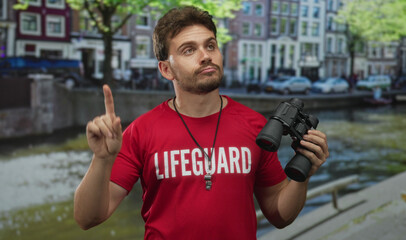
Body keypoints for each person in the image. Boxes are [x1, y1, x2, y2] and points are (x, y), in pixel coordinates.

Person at [74, 6, 329, 239]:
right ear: (166, 69)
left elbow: (279, 214)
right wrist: (102, 160)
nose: (205, 56)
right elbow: (87, 218)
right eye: (189, 50)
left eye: (210, 46)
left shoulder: (254, 125)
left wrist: (303, 174)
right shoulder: (141, 131)